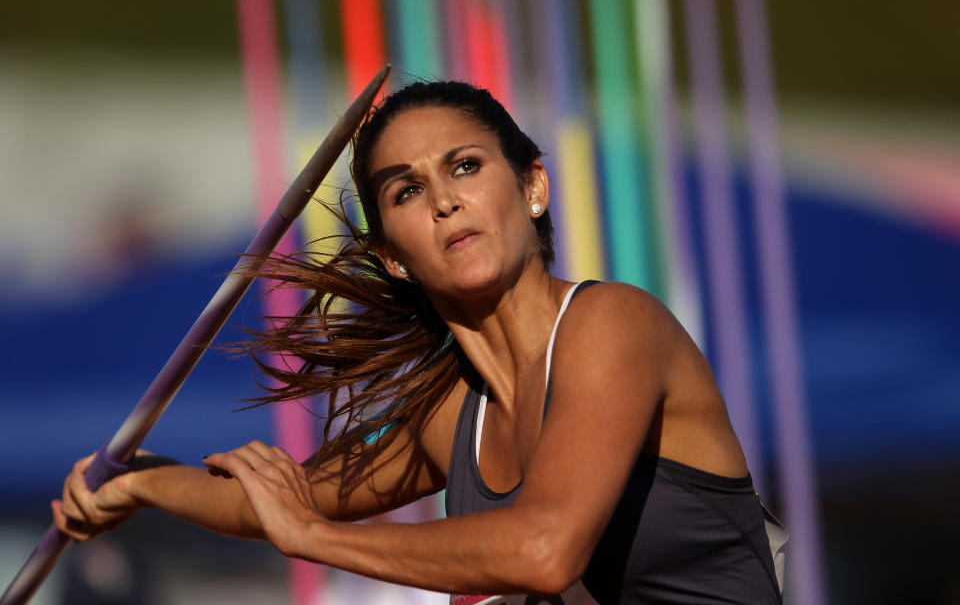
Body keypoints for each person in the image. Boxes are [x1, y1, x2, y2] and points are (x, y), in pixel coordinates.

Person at [54, 81, 784, 604]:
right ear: (394, 258)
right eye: (406, 191)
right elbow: (284, 500)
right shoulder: (447, 417)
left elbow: (543, 549)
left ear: (533, 187)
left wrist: (313, 537)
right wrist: (136, 482)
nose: (443, 199)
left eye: (465, 166)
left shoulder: (613, 325)